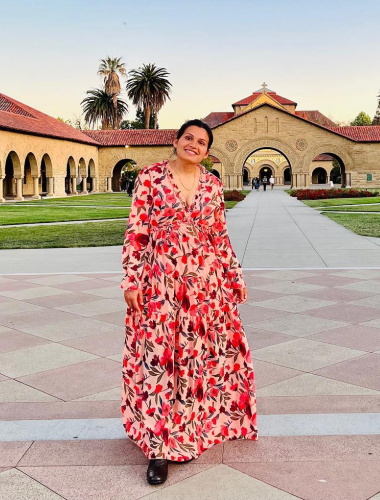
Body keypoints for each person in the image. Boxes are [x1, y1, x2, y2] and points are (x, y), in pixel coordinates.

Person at [121, 119, 257, 485]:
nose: (193, 145)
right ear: (176, 140)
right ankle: (158, 448)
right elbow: (137, 231)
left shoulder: (211, 184)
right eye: (188, 138)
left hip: (204, 283)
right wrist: (131, 278)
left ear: (207, 151)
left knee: (196, 359)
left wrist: (234, 275)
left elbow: (219, 235)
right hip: (160, 282)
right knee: (158, 360)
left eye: (201, 142)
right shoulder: (150, 177)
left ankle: (189, 431)